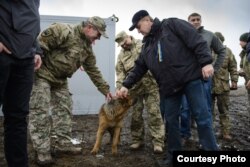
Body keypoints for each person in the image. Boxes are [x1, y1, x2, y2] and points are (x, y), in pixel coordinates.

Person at [116, 10, 219, 166]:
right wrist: (125, 85)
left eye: (138, 26)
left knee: (202, 117)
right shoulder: (147, 45)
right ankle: (173, 156)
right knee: (170, 121)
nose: (138, 31)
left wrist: (206, 62)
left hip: (190, 79)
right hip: (169, 87)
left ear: (147, 20)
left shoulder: (171, 24)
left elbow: (195, 40)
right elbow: (138, 68)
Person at [29, 16, 112, 165]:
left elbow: (93, 70)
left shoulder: (86, 48)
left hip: (60, 80)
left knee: (64, 110)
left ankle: (63, 144)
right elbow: (39, 46)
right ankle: (42, 151)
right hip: (42, 75)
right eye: (98, 34)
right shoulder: (63, 31)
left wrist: (106, 90)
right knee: (40, 110)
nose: (98, 38)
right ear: (90, 28)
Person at [0, 0, 42, 166]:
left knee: (18, 117)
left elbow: (31, 19)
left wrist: (36, 49)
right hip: (2, 52)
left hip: (25, 58)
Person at [115, 31, 165, 153]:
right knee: (136, 116)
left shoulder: (143, 44)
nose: (124, 45)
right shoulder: (121, 55)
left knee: (154, 114)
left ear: (129, 37)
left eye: (124, 42)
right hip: (134, 89)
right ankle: (137, 140)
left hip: (150, 86)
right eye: (121, 44)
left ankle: (158, 142)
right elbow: (120, 72)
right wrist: (119, 87)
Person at [180, 13, 226, 143]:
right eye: (192, 20)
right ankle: (185, 134)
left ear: (201, 21)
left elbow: (222, 51)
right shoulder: (182, 36)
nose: (195, 22)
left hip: (204, 78)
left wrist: (214, 68)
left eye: (197, 20)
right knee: (185, 108)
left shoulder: (210, 35)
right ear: (188, 22)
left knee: (204, 109)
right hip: (186, 77)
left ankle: (205, 139)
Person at [211, 32, 238, 140]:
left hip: (223, 86)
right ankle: (210, 134)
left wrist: (235, 81)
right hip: (208, 86)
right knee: (209, 112)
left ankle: (225, 132)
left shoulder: (228, 52)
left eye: (219, 40)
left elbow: (233, 67)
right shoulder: (206, 50)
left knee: (224, 111)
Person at [238, 32, 250, 115]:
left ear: (246, 41)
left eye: (241, 41)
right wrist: (241, 71)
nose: (239, 43)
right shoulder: (244, 53)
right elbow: (243, 67)